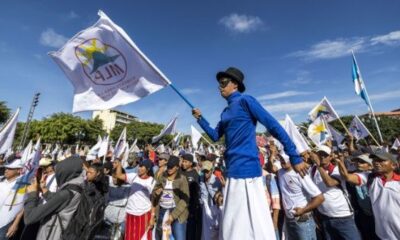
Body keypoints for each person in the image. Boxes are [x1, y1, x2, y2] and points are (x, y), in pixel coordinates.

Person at [192, 67, 306, 240]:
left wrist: (294, 155)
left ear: (235, 85)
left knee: (256, 228)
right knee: (232, 228)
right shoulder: (225, 112)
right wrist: (200, 119)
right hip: (232, 172)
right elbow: (215, 136)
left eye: (223, 83)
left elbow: (273, 125)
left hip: (248, 171)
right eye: (219, 84)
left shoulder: (246, 100)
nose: (219, 87)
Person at [340, 149, 400, 239]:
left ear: (393, 165)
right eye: (375, 160)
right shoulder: (370, 177)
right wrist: (339, 162)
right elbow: (347, 177)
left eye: (381, 160)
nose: (376, 163)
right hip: (382, 234)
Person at [23, 156, 84, 240]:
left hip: (51, 235)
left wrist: (32, 194)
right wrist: (44, 190)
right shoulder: (77, 187)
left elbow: (29, 218)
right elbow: (58, 202)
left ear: (65, 172)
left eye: (58, 172)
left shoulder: (66, 193)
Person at [268, 151, 324, 240]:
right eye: (280, 158)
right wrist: (271, 155)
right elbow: (271, 168)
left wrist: (303, 210)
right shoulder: (280, 172)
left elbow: (319, 198)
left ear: (291, 160)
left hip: (302, 220)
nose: (282, 161)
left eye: (284, 159)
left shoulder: (301, 173)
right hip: (289, 220)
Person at [309, 145, 361, 240]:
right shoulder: (313, 171)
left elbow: (330, 182)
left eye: (325, 155)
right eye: (320, 154)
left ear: (331, 157)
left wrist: (319, 166)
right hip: (325, 217)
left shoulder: (337, 170)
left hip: (343, 217)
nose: (322, 157)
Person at [335, 152, 379, 240]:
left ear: (370, 166)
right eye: (357, 161)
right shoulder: (355, 175)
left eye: (362, 162)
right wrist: (340, 162)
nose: (358, 163)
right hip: (363, 215)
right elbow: (346, 175)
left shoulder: (375, 178)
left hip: (376, 215)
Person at [114, 159, 155, 240]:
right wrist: (119, 165)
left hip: (143, 214)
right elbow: (118, 175)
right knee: (129, 237)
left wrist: (152, 218)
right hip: (130, 212)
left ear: (148, 169)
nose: (139, 168)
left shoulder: (152, 182)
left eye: (142, 167)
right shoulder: (133, 176)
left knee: (142, 237)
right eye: (139, 166)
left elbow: (154, 201)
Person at [151, 156, 189, 240]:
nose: (169, 168)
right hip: (162, 211)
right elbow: (153, 192)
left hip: (177, 213)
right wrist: (156, 193)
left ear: (177, 167)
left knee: (179, 238)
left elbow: (185, 200)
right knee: (162, 237)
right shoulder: (162, 176)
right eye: (168, 166)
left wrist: (173, 216)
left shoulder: (182, 179)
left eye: (171, 167)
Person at [0, 159, 25, 240]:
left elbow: (21, 206)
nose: (6, 170)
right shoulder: (1, 181)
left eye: (10, 169)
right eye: (6, 168)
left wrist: (15, 224)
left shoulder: (22, 186)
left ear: (18, 170)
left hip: (5, 224)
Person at [180, 153, 201, 240]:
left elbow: (196, 192)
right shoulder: (179, 172)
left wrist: (194, 208)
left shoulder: (195, 174)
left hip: (190, 207)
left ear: (191, 163)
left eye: (185, 162)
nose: (183, 163)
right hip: (179, 206)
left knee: (190, 231)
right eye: (183, 161)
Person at [199, 161, 222, 240]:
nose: (205, 174)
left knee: (214, 232)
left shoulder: (216, 180)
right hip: (204, 210)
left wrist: (209, 187)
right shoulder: (201, 179)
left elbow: (218, 197)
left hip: (213, 210)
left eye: (207, 171)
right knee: (205, 233)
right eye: (204, 171)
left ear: (212, 170)